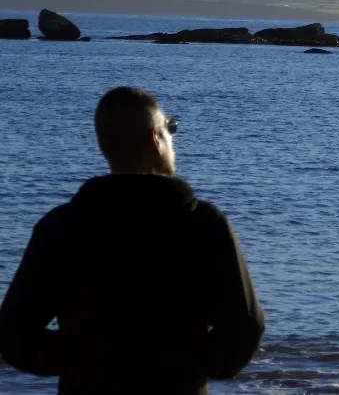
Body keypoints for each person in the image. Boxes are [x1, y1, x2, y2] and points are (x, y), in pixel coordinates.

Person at [0, 86, 265, 393]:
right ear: (155, 139)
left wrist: (84, 359)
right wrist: (191, 364)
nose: (172, 137)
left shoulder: (60, 226)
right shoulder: (203, 224)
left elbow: (13, 335)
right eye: (170, 128)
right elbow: (245, 326)